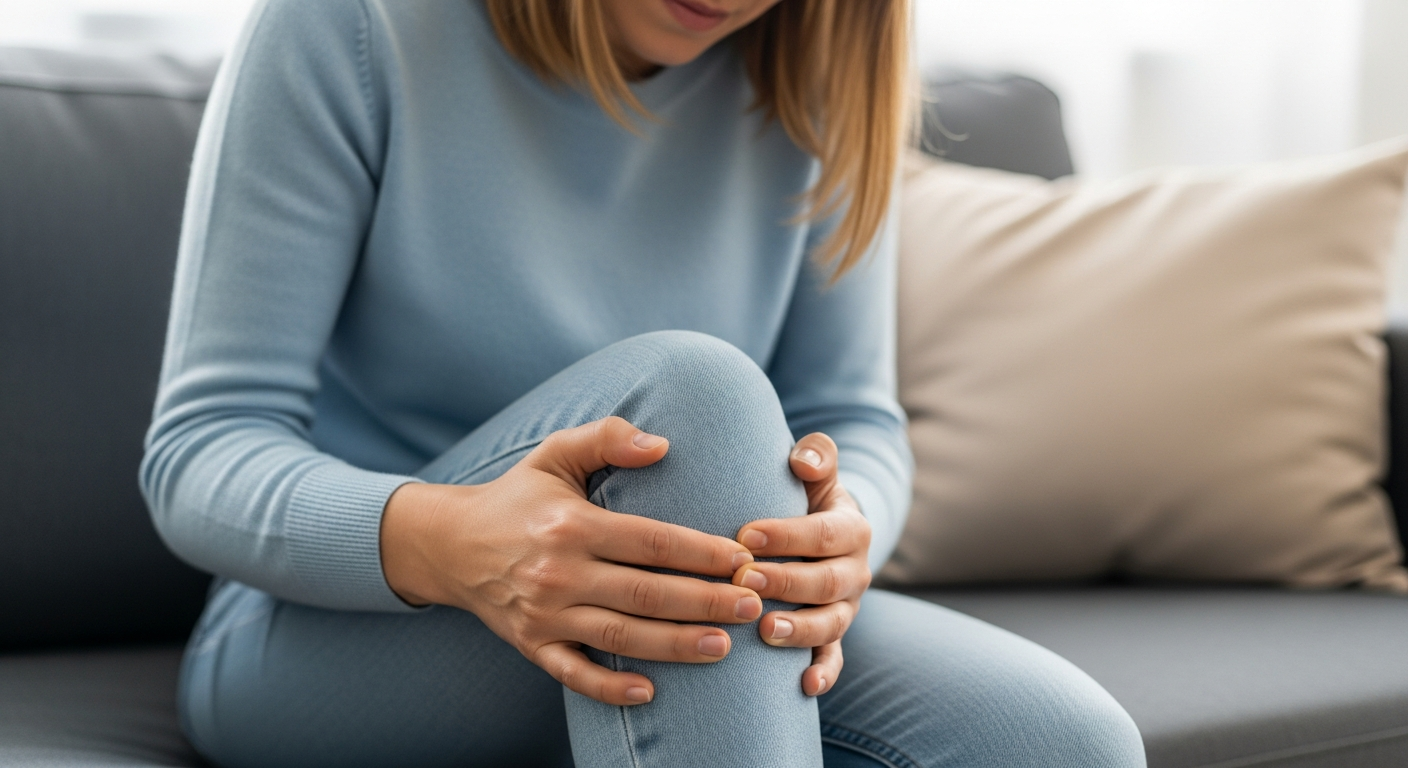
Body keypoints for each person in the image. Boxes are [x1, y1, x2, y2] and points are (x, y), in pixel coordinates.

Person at [140, 0, 1147, 766]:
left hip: (688, 605)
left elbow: (851, 418)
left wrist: (844, 545)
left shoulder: (812, 76)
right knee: (692, 399)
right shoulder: (352, 30)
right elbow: (201, 454)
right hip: (334, 633)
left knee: (1064, 743)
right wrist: (461, 546)